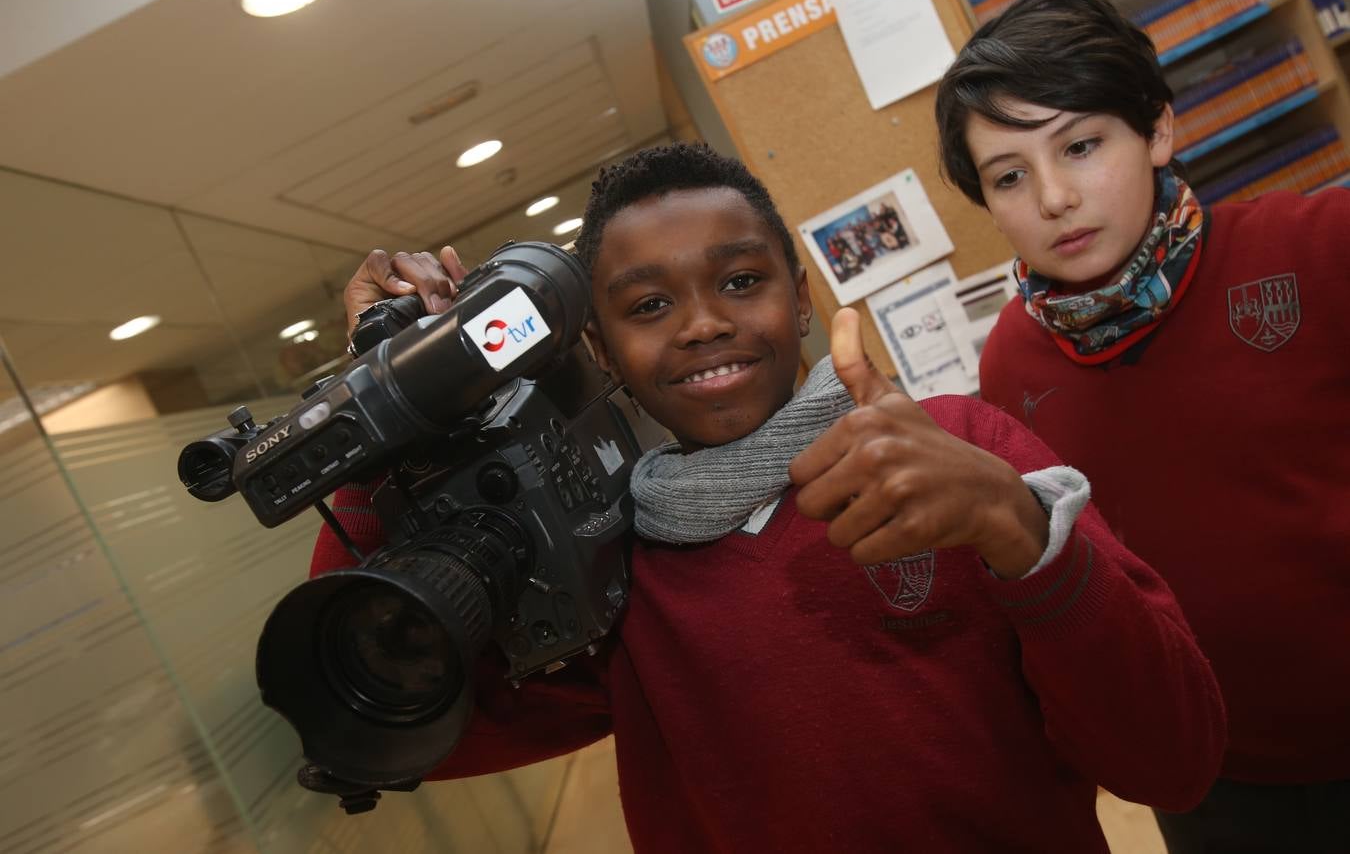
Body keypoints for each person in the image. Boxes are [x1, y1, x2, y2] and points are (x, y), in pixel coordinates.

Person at [315, 143, 1225, 852]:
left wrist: (1018, 528)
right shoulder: (602, 561)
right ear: (597, 346)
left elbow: (1173, 759)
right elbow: (386, 724)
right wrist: (391, 418)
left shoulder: (958, 447)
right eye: (647, 306)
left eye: (741, 282)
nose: (705, 322)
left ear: (799, 294)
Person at [934, 0, 1350, 853]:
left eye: (1081, 145)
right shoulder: (1012, 361)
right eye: (1010, 175)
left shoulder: (1314, 248)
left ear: (1157, 130)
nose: (1053, 197)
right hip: (1211, 777)